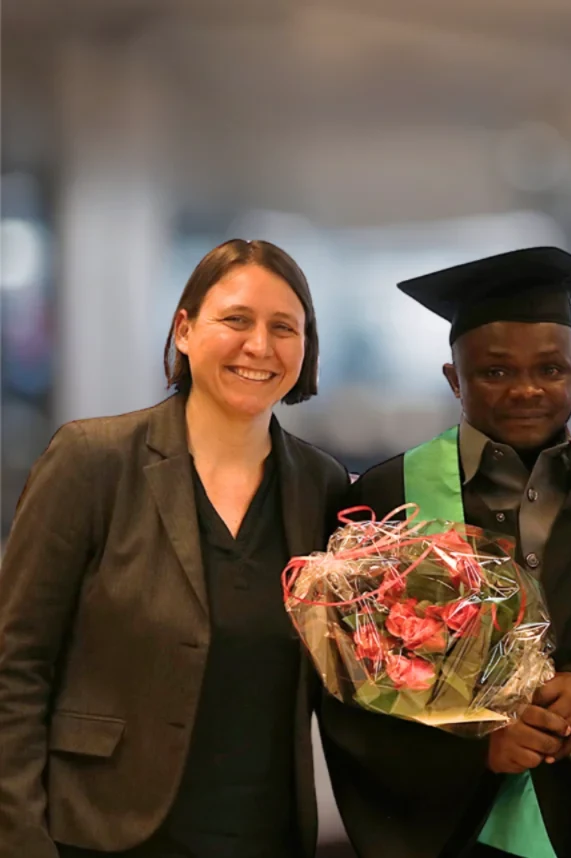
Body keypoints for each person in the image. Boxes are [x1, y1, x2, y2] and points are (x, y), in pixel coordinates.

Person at [319, 247, 571, 858]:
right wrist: (470, 747)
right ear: (454, 378)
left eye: (552, 370)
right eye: (495, 372)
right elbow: (348, 687)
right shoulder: (390, 499)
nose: (527, 389)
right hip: (453, 832)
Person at [0, 239, 351, 858]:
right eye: (235, 320)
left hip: (263, 831)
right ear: (184, 330)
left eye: (284, 328)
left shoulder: (320, 486)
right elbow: (15, 666)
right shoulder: (93, 460)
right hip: (97, 833)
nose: (259, 347)